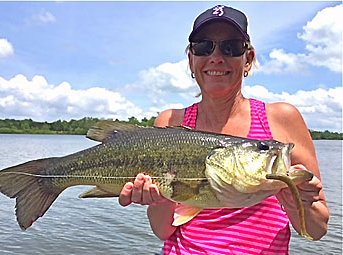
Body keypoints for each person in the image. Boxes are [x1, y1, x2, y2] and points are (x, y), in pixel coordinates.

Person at [118, 5, 329, 254]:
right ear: (191, 60)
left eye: (231, 47)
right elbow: (162, 231)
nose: (216, 57)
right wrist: (160, 197)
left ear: (248, 59)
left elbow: (317, 230)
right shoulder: (170, 123)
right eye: (204, 46)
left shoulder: (282, 118)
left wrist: (296, 204)